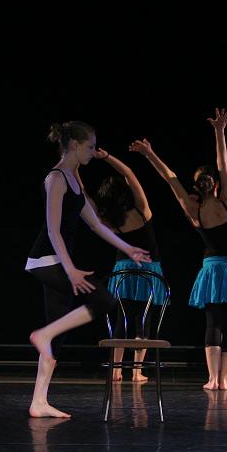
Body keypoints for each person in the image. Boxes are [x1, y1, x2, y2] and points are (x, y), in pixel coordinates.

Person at [27, 121, 151, 418]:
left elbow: (95, 224)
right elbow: (53, 230)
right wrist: (70, 269)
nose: (93, 152)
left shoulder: (74, 180)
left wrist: (128, 248)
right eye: (90, 147)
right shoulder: (56, 178)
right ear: (74, 145)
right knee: (104, 300)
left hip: (57, 261)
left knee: (57, 334)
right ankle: (43, 335)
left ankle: (39, 401)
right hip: (46, 260)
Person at [130, 108, 227, 390]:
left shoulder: (193, 209)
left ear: (197, 187)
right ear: (215, 185)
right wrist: (219, 132)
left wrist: (149, 153)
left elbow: (170, 178)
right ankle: (224, 380)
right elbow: (223, 164)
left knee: (213, 323)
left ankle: (212, 379)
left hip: (212, 269)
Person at [91, 149, 167, 383]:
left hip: (122, 270)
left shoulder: (108, 221)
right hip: (148, 270)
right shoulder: (142, 211)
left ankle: (116, 370)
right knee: (143, 320)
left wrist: (74, 172)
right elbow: (130, 175)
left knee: (121, 320)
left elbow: (87, 202)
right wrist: (107, 157)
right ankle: (136, 371)